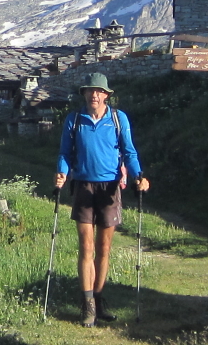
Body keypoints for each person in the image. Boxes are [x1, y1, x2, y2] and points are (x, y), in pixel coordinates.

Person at [54, 73, 149, 328]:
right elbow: (65, 152)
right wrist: (62, 172)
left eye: (99, 91)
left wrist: (139, 176)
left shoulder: (118, 119)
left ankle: (98, 298)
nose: (94, 95)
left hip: (109, 188)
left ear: (107, 94)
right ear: (84, 94)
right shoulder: (74, 119)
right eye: (90, 91)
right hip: (83, 186)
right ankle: (88, 306)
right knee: (86, 247)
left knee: (104, 249)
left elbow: (129, 151)